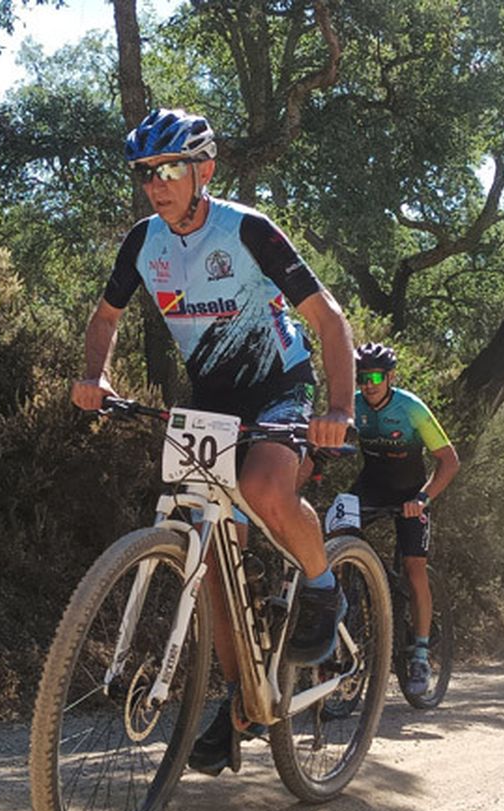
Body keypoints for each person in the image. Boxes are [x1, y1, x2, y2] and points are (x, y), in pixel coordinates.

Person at [70, 108, 357, 775]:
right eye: (146, 173)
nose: (157, 184)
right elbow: (105, 318)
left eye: (169, 170)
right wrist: (94, 374)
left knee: (262, 488)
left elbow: (330, 320)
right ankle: (240, 699)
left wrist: (339, 410)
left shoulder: (248, 230)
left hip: (280, 387)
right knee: (207, 554)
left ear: (205, 171)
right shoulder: (144, 242)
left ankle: (322, 584)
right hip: (211, 401)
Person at [348, 342, 461, 695]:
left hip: (411, 495)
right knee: (336, 539)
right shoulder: (353, 404)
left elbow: (450, 460)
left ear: (391, 377)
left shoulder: (410, 408)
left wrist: (424, 498)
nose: (369, 384)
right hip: (370, 487)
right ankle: (340, 625)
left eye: (376, 376)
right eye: (363, 377)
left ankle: (421, 655)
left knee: (414, 568)